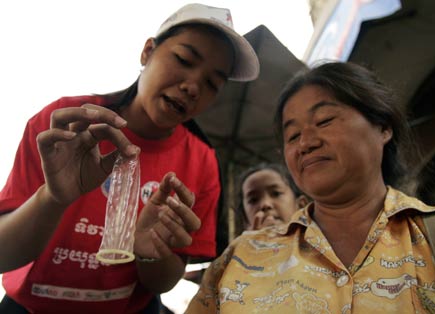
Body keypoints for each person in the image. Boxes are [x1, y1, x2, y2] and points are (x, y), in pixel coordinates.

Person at [0, 3, 259, 313]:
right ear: (147, 51)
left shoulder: (202, 163)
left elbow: (164, 281)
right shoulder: (65, 124)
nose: (192, 86)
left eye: (212, 84)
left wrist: (151, 253)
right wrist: (53, 198)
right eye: (184, 59)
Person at [185, 61, 435, 313]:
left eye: (324, 120)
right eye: (293, 135)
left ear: (383, 127)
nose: (305, 144)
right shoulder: (240, 256)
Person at [234, 162, 308, 235]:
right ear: (245, 219)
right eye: (253, 200)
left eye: (276, 193)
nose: (265, 204)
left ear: (301, 205)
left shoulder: (316, 243)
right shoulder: (238, 246)